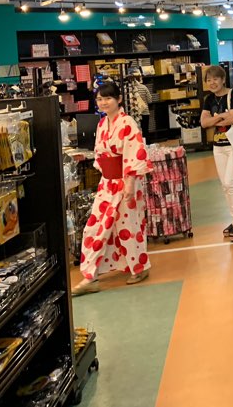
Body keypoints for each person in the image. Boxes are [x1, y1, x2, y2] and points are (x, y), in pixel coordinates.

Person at [72, 82, 152, 296]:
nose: (103, 102)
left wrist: (130, 183)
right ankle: (90, 276)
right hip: (107, 183)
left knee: (129, 226)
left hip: (126, 182)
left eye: (107, 98)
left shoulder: (128, 123)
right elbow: (99, 155)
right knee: (95, 227)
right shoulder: (101, 124)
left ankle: (139, 267)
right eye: (99, 99)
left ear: (119, 99)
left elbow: (135, 153)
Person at [199, 65, 233, 242]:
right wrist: (221, 116)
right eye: (209, 80)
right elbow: (204, 123)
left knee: (229, 182)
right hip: (218, 146)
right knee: (225, 185)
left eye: (215, 79)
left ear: (223, 79)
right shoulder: (209, 99)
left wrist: (214, 119)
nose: (212, 83)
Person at [130, 70, 153, 138]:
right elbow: (150, 100)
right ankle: (146, 143)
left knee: (134, 131)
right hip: (144, 111)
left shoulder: (129, 89)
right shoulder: (144, 87)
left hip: (134, 113)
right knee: (145, 130)